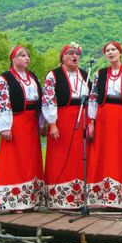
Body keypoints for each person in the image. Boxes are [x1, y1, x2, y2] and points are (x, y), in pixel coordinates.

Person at [87, 41, 122, 209]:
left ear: (120, 52)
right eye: (107, 51)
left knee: (121, 154)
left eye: (113, 50)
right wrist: (91, 121)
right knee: (102, 153)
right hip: (103, 116)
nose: (110, 53)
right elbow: (93, 97)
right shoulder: (99, 74)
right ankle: (102, 197)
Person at [0, 46, 44, 212]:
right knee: (16, 159)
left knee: (31, 159)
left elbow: (41, 100)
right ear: (13, 59)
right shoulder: (5, 78)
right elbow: (1, 102)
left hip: (31, 122)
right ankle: (14, 202)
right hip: (16, 122)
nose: (26, 58)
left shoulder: (32, 76)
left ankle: (31, 199)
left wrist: (42, 122)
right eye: (22, 55)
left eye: (27, 56)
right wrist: (5, 126)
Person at [42, 42, 91, 209]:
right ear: (62, 57)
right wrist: (52, 124)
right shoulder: (53, 75)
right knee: (60, 156)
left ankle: (80, 198)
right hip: (62, 119)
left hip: (82, 118)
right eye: (70, 53)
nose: (74, 56)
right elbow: (48, 100)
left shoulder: (85, 75)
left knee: (80, 157)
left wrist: (91, 121)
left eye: (77, 53)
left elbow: (92, 101)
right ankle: (60, 198)